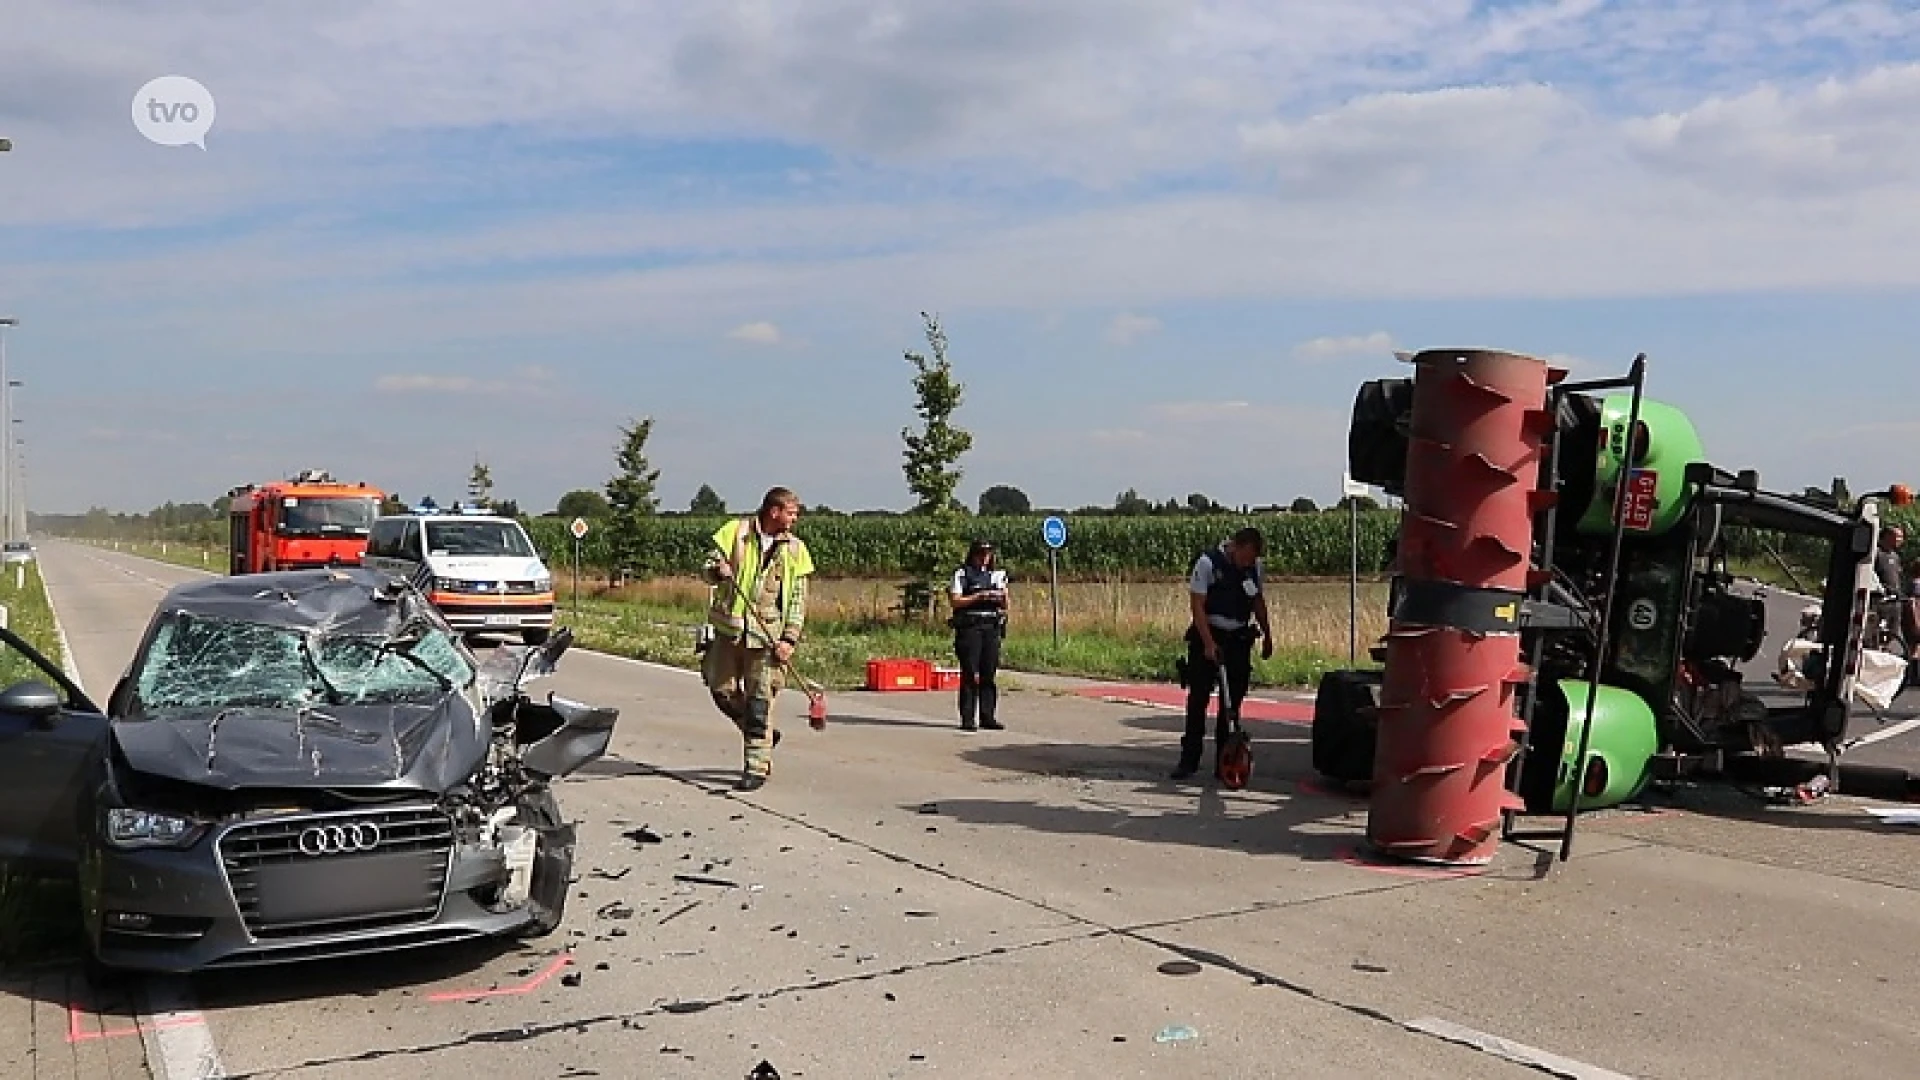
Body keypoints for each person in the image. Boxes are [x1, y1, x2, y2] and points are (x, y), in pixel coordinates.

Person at [701, 487, 815, 791]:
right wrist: (716, 569)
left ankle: (756, 765)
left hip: (767, 637)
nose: (794, 519)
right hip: (729, 632)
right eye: (791, 513)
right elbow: (706, 567)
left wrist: (789, 639)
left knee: (759, 703)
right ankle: (763, 734)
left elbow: (796, 601)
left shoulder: (795, 550)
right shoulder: (735, 533)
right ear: (773, 511)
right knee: (721, 691)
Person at [1173, 526, 1274, 781]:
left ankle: (1224, 761)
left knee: (1231, 705)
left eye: (1252, 560)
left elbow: (1257, 601)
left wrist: (1268, 634)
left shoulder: (1254, 569)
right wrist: (1208, 643)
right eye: (1245, 557)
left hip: (1238, 638)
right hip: (1209, 632)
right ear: (1235, 547)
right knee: (1198, 699)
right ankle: (1189, 761)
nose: (1247, 563)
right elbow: (1197, 605)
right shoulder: (1208, 563)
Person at [948, 538, 1008, 732]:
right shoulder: (962, 574)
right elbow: (956, 601)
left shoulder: (996, 575)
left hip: (991, 626)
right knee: (970, 673)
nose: (984, 558)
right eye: (981, 554)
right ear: (973, 555)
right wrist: (978, 596)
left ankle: (987, 715)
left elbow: (1006, 605)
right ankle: (967, 717)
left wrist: (1002, 595)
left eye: (988, 554)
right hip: (970, 627)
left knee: (988, 673)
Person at [1875, 526, 1906, 597]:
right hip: (1879, 599)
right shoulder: (1875, 553)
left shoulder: (1895, 556)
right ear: (1887, 536)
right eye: (1898, 536)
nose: (1901, 540)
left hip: (1894, 600)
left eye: (1901, 537)